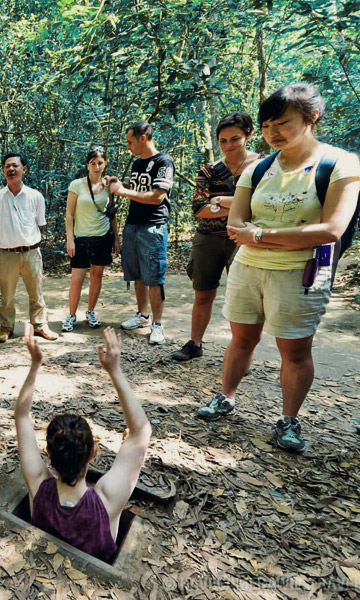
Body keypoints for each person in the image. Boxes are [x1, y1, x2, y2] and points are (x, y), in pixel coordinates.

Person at [196, 83, 360, 453]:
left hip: (301, 273)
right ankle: (226, 396)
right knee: (241, 340)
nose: (272, 134)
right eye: (267, 126)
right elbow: (236, 224)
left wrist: (260, 234)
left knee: (295, 351)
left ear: (312, 117)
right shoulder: (259, 169)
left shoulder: (340, 164)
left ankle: (289, 419)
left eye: (282, 124)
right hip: (249, 269)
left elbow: (330, 230)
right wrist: (266, 237)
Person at [14, 324, 151, 561]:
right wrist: (114, 371)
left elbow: (22, 416)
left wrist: (35, 365)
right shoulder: (107, 500)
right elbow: (141, 432)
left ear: (48, 453)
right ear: (92, 453)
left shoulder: (37, 487)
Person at [171, 113, 262, 362]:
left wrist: (219, 200)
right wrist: (241, 205)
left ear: (248, 135)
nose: (229, 145)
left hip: (243, 240)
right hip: (208, 239)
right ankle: (195, 344)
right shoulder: (210, 170)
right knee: (203, 293)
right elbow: (199, 208)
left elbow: (262, 204)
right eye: (223, 141)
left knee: (243, 299)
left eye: (235, 139)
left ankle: (242, 353)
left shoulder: (263, 166)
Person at [109, 122, 175, 345]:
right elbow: (139, 189)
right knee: (136, 274)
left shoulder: (163, 162)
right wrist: (121, 183)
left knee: (154, 277)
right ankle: (142, 315)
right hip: (133, 225)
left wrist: (123, 192)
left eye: (130, 141)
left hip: (152, 226)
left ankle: (157, 324)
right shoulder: (138, 163)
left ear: (143, 138)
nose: (128, 146)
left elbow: (157, 196)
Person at [0, 153, 57, 343]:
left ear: (23, 169)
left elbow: (40, 224)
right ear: (3, 171)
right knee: (7, 296)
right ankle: (6, 328)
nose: (11, 169)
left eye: (15, 166)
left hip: (32, 253)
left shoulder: (35, 196)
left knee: (36, 293)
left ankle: (40, 326)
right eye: (7, 166)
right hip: (8, 254)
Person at [62, 148, 120, 333]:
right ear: (87, 165)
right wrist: (70, 239)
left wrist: (117, 238)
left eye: (100, 163)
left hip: (102, 238)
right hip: (81, 239)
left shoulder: (108, 186)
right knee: (77, 279)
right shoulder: (77, 185)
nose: (96, 167)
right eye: (93, 163)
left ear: (105, 164)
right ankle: (72, 315)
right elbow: (69, 214)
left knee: (96, 276)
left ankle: (91, 311)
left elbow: (111, 214)